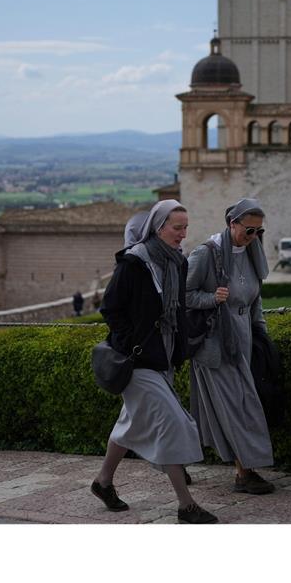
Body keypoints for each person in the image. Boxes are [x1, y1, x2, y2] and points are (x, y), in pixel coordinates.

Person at [91, 201, 216, 524]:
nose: (183, 234)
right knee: (172, 424)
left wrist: (180, 349)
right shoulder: (134, 263)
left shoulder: (177, 263)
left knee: (129, 423)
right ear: (159, 227)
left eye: (186, 227)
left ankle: (103, 482)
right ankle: (186, 505)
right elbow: (111, 309)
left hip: (163, 357)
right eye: (177, 228)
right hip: (137, 362)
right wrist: (132, 343)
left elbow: (178, 309)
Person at [185, 197, 276, 495]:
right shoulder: (205, 254)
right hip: (215, 346)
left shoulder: (251, 253)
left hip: (244, 343)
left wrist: (261, 336)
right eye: (248, 230)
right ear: (231, 224)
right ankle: (244, 472)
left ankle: (177, 460)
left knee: (241, 404)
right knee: (236, 407)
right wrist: (212, 299)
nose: (253, 237)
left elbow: (254, 299)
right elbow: (181, 297)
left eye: (258, 232)